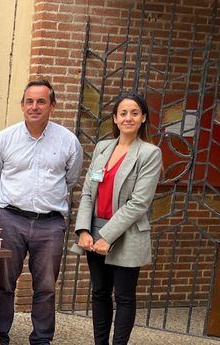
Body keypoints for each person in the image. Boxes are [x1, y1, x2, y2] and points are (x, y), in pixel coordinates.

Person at [0, 79, 83, 345]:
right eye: (29, 101)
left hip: (50, 224)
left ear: (53, 105)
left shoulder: (68, 141)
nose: (35, 106)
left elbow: (70, 180)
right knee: (4, 283)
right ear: (22, 105)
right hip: (11, 220)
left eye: (41, 101)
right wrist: (13, 201)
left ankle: (41, 339)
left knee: (47, 286)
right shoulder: (4, 139)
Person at [69, 94, 161, 345]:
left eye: (134, 113)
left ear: (143, 118)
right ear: (115, 118)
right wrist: (84, 230)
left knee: (124, 296)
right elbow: (88, 191)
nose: (128, 117)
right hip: (95, 231)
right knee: (99, 293)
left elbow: (140, 202)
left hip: (127, 234)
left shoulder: (150, 153)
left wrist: (108, 236)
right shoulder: (102, 147)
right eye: (123, 113)